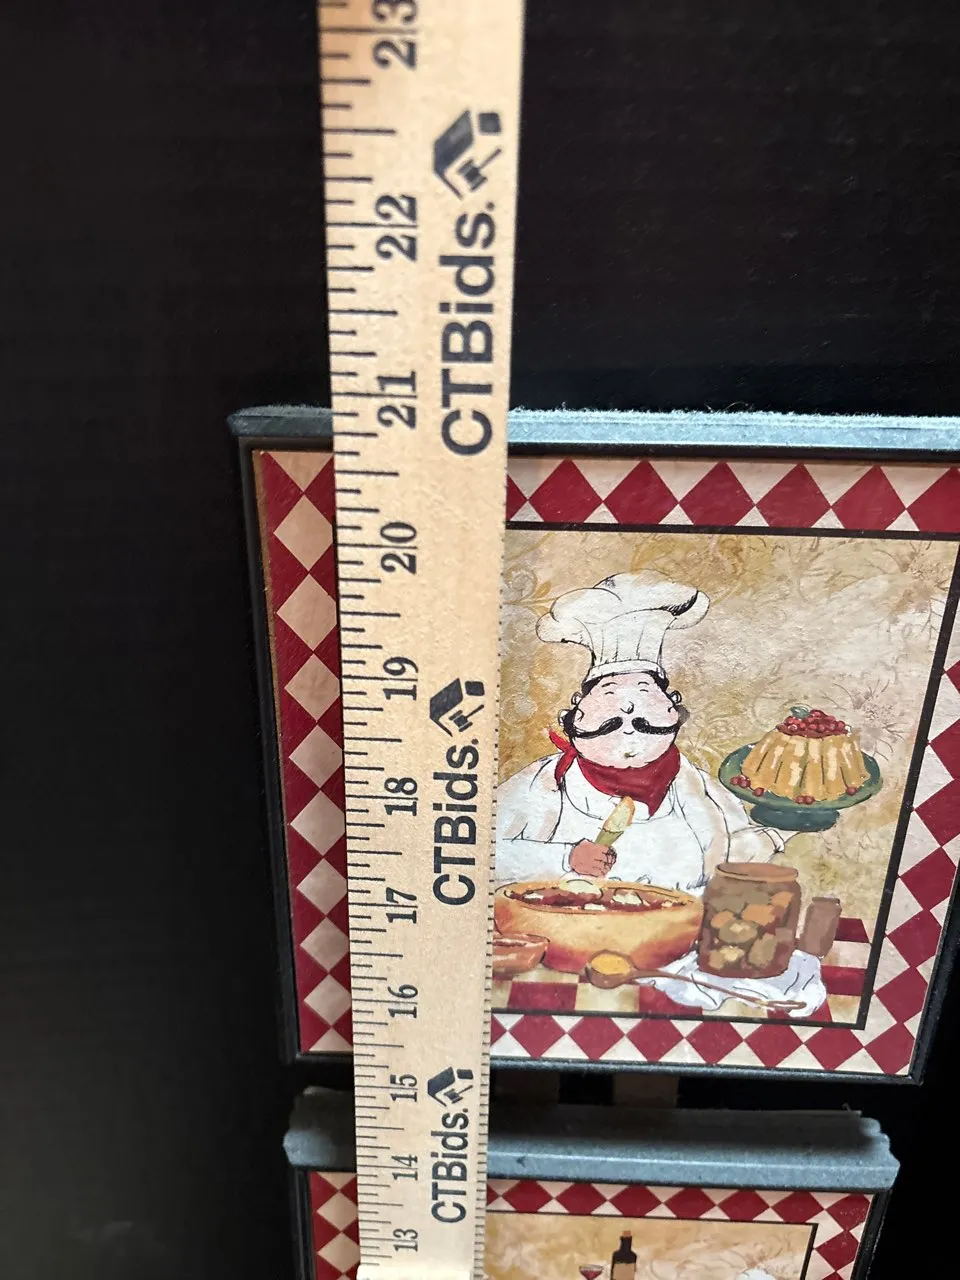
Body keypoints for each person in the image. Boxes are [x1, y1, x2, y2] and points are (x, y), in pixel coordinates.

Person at [496, 571, 781, 892]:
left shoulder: (688, 780)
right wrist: (566, 858)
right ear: (577, 713)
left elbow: (737, 849)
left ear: (672, 709)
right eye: (609, 692)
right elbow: (485, 848)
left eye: (645, 691)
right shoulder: (548, 781)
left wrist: (780, 828)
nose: (629, 710)